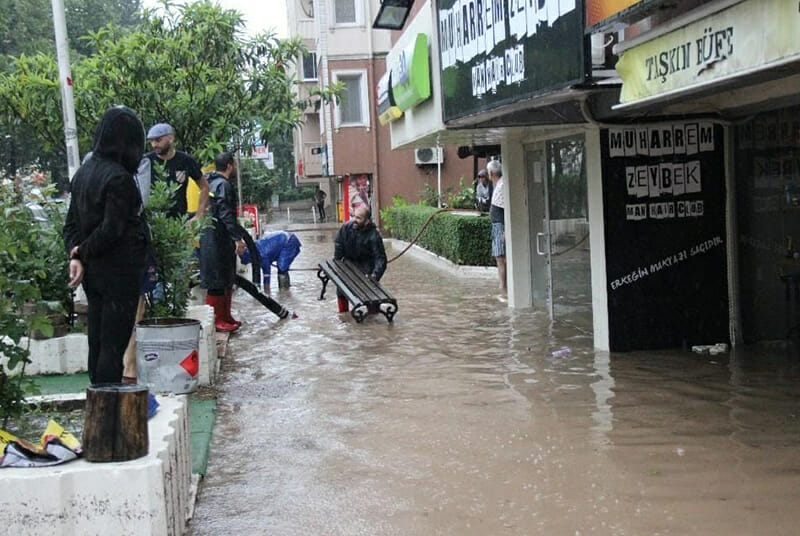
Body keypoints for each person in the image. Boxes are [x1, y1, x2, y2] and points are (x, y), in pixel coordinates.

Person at [62, 106, 148, 385]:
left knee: (97, 342)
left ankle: (98, 401)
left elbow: (70, 225)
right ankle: (108, 406)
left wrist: (77, 253)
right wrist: (81, 252)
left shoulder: (83, 173)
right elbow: (113, 229)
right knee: (113, 346)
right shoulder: (119, 179)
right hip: (118, 273)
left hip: (94, 274)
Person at [199, 152, 247, 333]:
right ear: (229, 165)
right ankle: (218, 319)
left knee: (225, 279)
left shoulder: (210, 183)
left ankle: (225, 316)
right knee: (217, 281)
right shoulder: (223, 185)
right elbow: (226, 214)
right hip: (217, 239)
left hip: (213, 238)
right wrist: (238, 238)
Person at [146, 123, 209, 220]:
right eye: (151, 141)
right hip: (153, 221)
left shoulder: (186, 160)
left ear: (170, 139)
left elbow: (204, 186)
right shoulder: (146, 162)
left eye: (158, 140)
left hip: (179, 223)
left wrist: (199, 215)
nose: (154, 145)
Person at [333, 205, 387, 313]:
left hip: (366, 266)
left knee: (370, 292)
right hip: (349, 263)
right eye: (353, 216)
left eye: (358, 218)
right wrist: (338, 264)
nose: (354, 220)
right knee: (341, 287)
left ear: (367, 221)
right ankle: (343, 314)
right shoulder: (346, 228)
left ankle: (373, 314)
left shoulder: (374, 235)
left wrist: (375, 275)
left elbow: (380, 258)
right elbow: (339, 245)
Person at [488, 159, 507, 296]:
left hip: (500, 226)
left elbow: (506, 209)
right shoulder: (499, 185)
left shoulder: (501, 186)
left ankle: (503, 288)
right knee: (500, 258)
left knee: (500, 259)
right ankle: (503, 287)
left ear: (490, 173)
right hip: (498, 225)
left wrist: (506, 230)